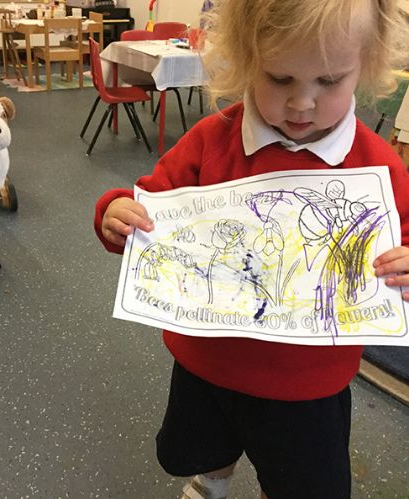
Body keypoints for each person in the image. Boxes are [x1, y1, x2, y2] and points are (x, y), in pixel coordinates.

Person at [94, 1, 409, 497]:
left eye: (329, 81)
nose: (301, 103)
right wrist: (117, 213)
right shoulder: (210, 140)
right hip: (208, 362)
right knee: (202, 446)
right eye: (279, 78)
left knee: (297, 479)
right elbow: (152, 208)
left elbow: (402, 238)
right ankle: (212, 480)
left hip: (308, 384)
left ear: (366, 65)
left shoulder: (378, 167)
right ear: (246, 59)